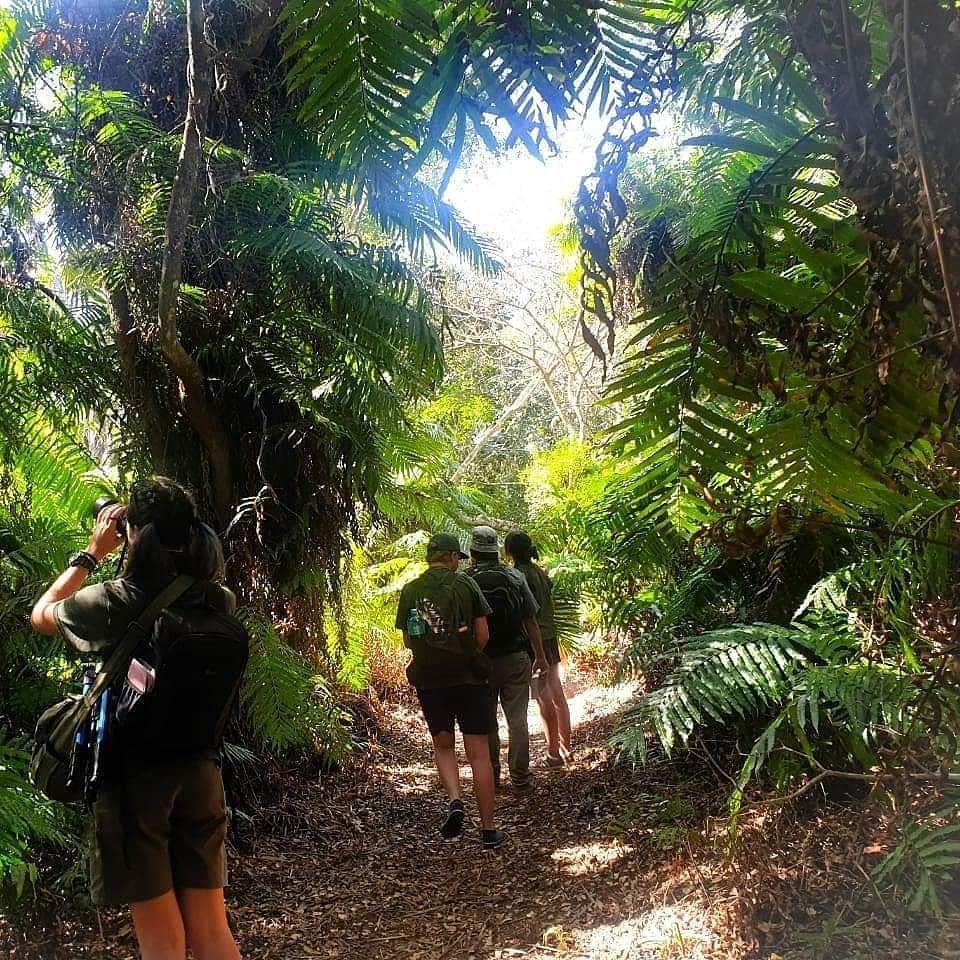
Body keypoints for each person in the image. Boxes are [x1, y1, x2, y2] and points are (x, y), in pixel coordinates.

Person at [30, 478, 245, 960]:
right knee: (212, 930)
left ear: (133, 532)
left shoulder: (114, 598)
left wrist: (90, 553)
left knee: (162, 942)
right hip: (201, 772)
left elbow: (41, 615)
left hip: (135, 780)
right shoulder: (217, 599)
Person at [395, 532, 506, 849]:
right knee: (479, 753)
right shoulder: (467, 585)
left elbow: (407, 641)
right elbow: (483, 633)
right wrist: (469, 653)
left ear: (431, 557)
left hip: (430, 682)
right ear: (452, 557)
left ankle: (456, 800)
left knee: (443, 745)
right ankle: (488, 830)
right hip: (469, 679)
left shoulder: (411, 590)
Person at [465, 526, 547, 790]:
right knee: (518, 719)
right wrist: (541, 657)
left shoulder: (465, 581)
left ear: (473, 551)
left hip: (481, 662)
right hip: (515, 658)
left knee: (487, 720)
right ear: (496, 550)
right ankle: (520, 775)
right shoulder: (514, 577)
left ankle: (492, 775)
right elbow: (530, 619)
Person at [504, 530, 572, 765]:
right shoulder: (539, 572)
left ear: (509, 552)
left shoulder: (518, 575)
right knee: (556, 692)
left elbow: (523, 613)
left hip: (535, 641)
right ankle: (566, 746)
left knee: (543, 696)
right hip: (550, 635)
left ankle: (553, 752)